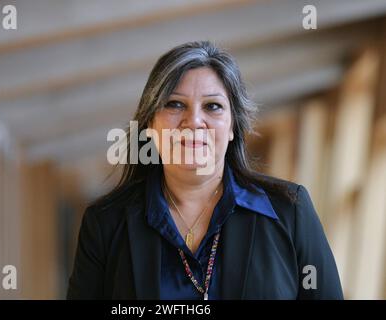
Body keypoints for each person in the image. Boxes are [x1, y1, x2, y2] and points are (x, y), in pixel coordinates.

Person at [67, 40, 343, 300]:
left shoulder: (289, 211)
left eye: (213, 106)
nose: (194, 121)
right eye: (175, 104)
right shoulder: (105, 224)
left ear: (234, 126)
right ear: (149, 125)